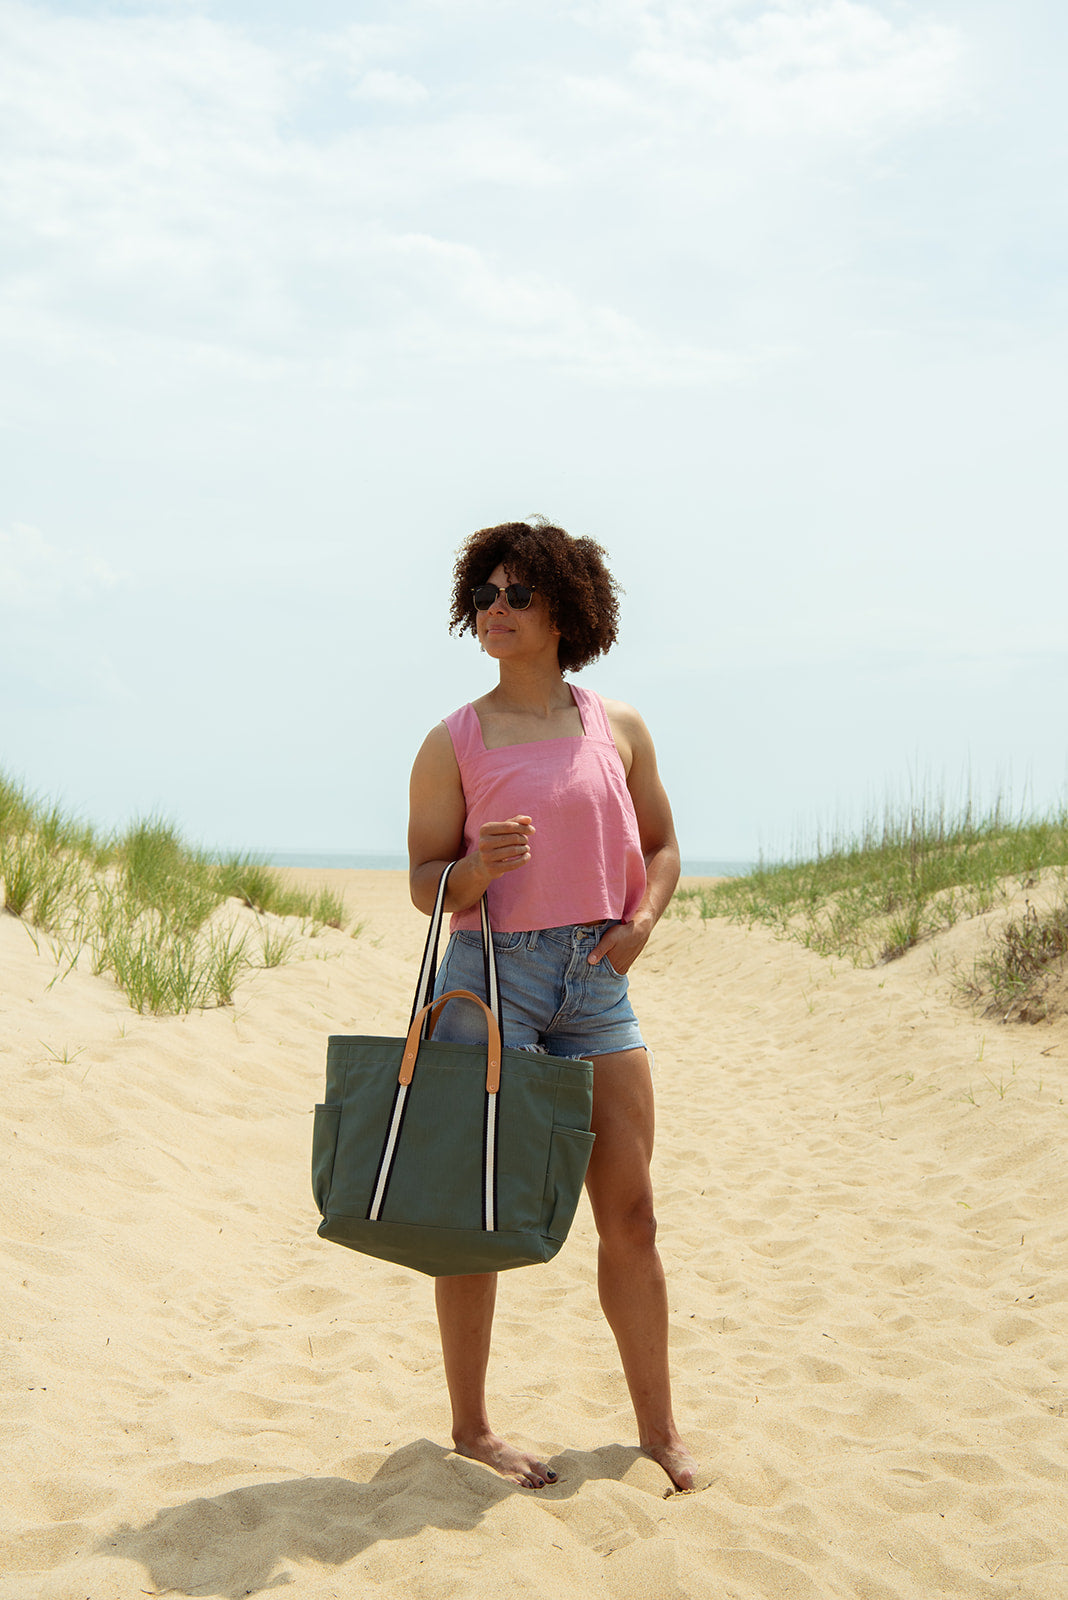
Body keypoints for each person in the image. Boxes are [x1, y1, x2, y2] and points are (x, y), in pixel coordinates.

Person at [407, 518, 696, 1494]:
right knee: (474, 1214)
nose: (494, 608)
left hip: (598, 979)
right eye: (483, 594)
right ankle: (472, 1425)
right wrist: (472, 870)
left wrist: (643, 922)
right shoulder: (454, 741)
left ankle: (660, 1432)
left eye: (517, 593)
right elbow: (421, 884)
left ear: (566, 607)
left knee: (634, 1213)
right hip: (489, 979)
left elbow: (661, 846)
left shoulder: (618, 727)